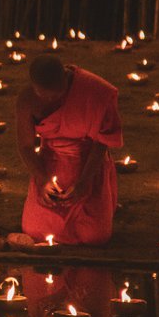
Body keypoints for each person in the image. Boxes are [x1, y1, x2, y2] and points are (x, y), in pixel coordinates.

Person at [16, 54, 122, 245]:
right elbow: (25, 146)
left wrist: (84, 182)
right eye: (42, 94)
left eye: (56, 94)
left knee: (95, 236)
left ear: (65, 78)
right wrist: (43, 180)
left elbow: (101, 143)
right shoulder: (27, 100)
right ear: (33, 86)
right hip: (50, 163)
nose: (49, 99)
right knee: (35, 231)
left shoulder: (95, 92)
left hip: (89, 163)